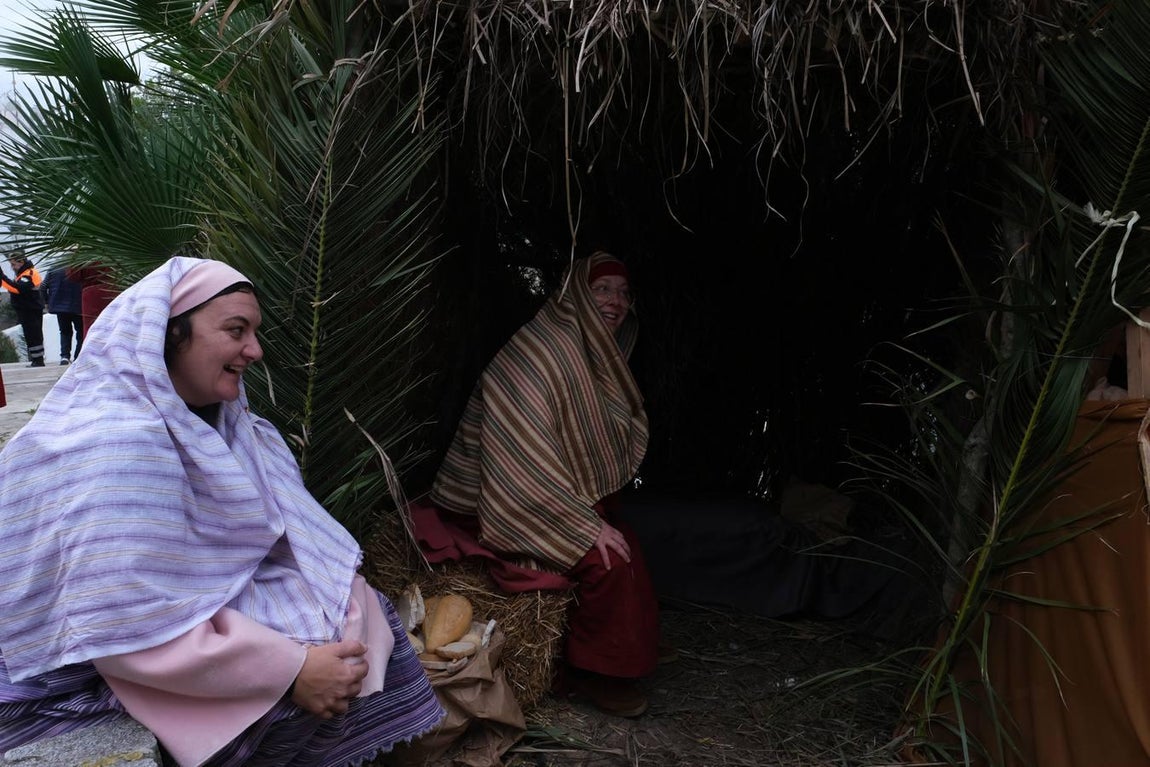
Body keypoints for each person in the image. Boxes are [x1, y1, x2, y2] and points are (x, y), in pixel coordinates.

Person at [0, 257, 444, 766]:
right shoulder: (115, 446)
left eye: (254, 332)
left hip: (174, 625)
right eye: (236, 330)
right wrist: (291, 670)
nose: (254, 350)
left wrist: (337, 619)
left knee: (362, 616)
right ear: (166, 335)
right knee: (318, 668)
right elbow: (122, 623)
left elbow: (292, 549)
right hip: (100, 656)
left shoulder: (234, 429)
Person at [426, 250, 659, 718]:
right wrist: (582, 525)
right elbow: (517, 460)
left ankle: (628, 650)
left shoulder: (595, 355)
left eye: (623, 292)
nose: (615, 301)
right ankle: (598, 675)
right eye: (602, 289)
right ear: (577, 293)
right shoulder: (543, 351)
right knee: (606, 557)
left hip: (543, 487)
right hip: (497, 499)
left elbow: (576, 440)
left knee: (626, 539)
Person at [0, 250, 45, 367]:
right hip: (28, 309)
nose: (12, 267)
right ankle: (36, 359)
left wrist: (2, 277)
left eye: (13, 264)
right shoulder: (24, 273)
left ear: (21, 262)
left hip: (30, 309)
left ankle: (38, 360)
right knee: (31, 334)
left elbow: (17, 289)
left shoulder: (28, 274)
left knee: (33, 334)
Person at [42, 267, 84, 364]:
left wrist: (47, 302)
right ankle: (78, 357)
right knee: (81, 332)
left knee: (65, 331)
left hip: (60, 307)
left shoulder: (54, 268)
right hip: (78, 305)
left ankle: (65, 356)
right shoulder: (80, 266)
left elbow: (43, 287)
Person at [66, 261, 118, 336]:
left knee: (92, 330)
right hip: (114, 290)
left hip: (91, 296)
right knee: (114, 328)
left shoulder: (83, 252)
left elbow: (72, 275)